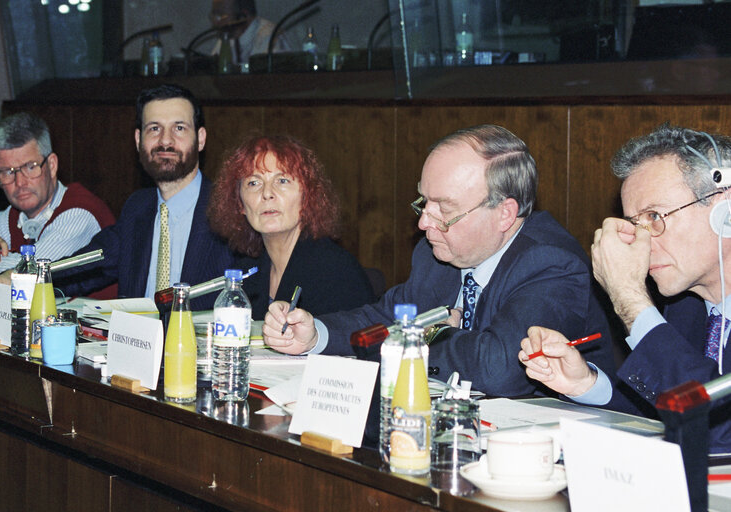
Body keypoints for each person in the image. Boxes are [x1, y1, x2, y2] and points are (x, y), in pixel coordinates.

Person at [263, 124, 616, 398]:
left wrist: (428, 333)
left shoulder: (549, 262)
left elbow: (502, 368)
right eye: (423, 203)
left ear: (505, 213)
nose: (423, 223)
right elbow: (387, 316)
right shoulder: (438, 253)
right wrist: (315, 336)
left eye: (443, 210)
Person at [518, 124, 731, 453]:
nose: (641, 244)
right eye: (636, 224)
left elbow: (717, 432)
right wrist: (587, 385)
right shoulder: (685, 306)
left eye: (655, 216)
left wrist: (630, 299)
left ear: (724, 212)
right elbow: (666, 409)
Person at [55, 84, 233, 310]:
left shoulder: (230, 209)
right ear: (138, 139)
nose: (165, 141)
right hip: (135, 342)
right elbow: (84, 267)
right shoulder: (137, 208)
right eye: (154, 129)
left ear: (200, 138)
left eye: (179, 128)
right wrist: (27, 277)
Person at [208, 134, 375, 319]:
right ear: (240, 204)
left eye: (282, 181)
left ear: (307, 196)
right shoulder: (247, 272)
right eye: (254, 183)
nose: (267, 193)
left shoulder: (335, 271)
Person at [0, 112, 115, 282]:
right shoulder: (16, 215)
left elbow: (28, 272)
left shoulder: (80, 213)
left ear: (52, 165)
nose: (20, 182)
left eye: (30, 167)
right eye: (8, 172)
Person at [210, 0, 291, 67]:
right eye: (213, 16)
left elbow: (267, 76)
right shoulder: (227, 36)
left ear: (243, 16)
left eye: (220, 16)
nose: (215, 22)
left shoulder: (270, 35)